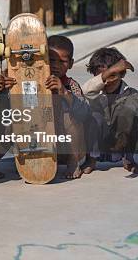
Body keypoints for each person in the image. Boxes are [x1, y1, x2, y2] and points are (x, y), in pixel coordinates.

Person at [82, 47, 138, 174]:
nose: (106, 81)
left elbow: (128, 113)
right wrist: (109, 72)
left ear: (121, 74)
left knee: (133, 121)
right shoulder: (94, 92)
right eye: (102, 76)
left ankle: (129, 160)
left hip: (119, 140)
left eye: (112, 75)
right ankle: (91, 160)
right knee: (94, 116)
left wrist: (123, 133)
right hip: (97, 143)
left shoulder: (131, 93)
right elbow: (84, 92)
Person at [46, 35, 92, 179]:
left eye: (63, 61)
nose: (56, 65)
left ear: (71, 63)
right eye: (52, 60)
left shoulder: (72, 85)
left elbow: (84, 114)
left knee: (70, 114)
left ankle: (74, 161)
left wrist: (63, 92)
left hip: (69, 149)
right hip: (45, 146)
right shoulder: (34, 82)